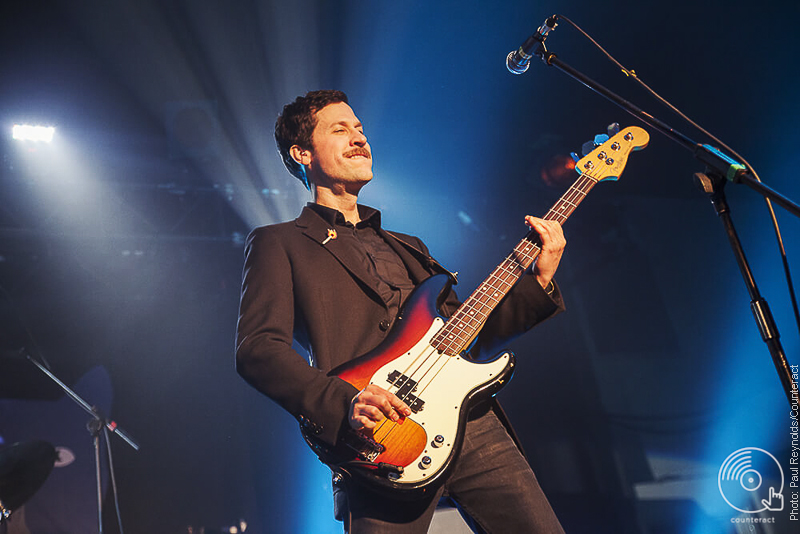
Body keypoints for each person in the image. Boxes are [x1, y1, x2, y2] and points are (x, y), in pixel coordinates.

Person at [236, 90, 567, 533]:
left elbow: (470, 339)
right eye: (340, 129)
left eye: (360, 128)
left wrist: (538, 281)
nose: (359, 138)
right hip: (379, 435)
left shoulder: (410, 246)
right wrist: (344, 402)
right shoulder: (280, 242)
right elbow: (258, 348)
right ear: (301, 154)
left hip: (474, 426)